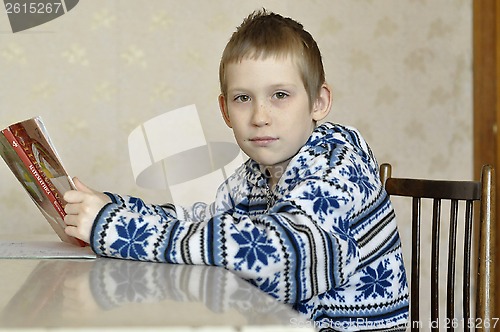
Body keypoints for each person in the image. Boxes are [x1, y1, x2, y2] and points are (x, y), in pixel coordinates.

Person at [63, 9, 409, 331]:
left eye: (280, 95)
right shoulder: (257, 172)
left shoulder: (334, 167)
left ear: (319, 102)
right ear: (225, 110)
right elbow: (201, 222)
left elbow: (273, 253)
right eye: (243, 98)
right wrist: (111, 208)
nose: (260, 116)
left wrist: (115, 229)